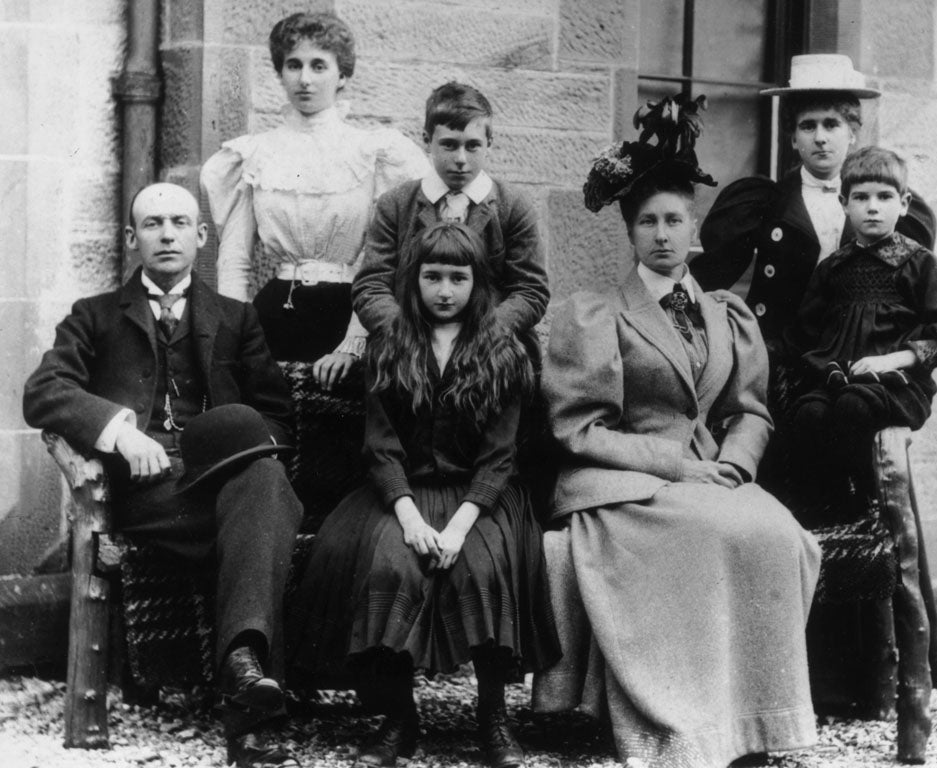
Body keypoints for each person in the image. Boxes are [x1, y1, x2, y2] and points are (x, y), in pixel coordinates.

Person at [532, 96, 821, 768]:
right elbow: (578, 427)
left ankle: (752, 720)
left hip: (710, 474)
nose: (662, 235)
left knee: (779, 535)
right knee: (712, 531)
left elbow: (751, 409)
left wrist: (736, 464)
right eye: (647, 224)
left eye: (674, 221)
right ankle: (683, 723)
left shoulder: (728, 314)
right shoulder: (597, 314)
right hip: (619, 479)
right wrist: (674, 464)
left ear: (695, 230)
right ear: (630, 234)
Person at [23, 183, 303, 768]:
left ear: (202, 237)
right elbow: (44, 392)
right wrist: (119, 431)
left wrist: (242, 442)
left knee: (266, 485)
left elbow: (277, 413)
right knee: (261, 518)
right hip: (147, 495)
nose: (168, 233)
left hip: (221, 482)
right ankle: (249, 704)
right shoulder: (94, 317)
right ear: (132, 239)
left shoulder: (236, 317)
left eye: (180, 222)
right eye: (153, 224)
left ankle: (242, 672)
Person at [288, 222, 560, 768]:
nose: (444, 290)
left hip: (480, 496)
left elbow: (499, 457)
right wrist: (410, 518)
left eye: (457, 278)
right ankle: (398, 718)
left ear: (477, 282)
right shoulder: (391, 347)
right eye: (431, 277)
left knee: (481, 569)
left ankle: (493, 717)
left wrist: (459, 528)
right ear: (412, 282)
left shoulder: (503, 351)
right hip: (400, 494)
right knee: (393, 564)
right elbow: (380, 447)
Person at [201, 11, 429, 389]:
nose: (304, 79)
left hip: (352, 312)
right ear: (280, 73)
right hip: (274, 313)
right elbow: (235, 258)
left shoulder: (371, 152)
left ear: (343, 76)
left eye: (318, 66)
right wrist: (235, 335)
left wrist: (356, 341)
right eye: (294, 65)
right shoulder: (256, 153)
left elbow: (382, 260)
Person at [690, 54, 936, 358]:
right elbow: (712, 274)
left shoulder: (885, 203)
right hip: (780, 352)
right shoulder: (766, 202)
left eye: (831, 124)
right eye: (808, 126)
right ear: (793, 138)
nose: (820, 138)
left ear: (853, 133)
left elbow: (916, 291)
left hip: (858, 351)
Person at [787, 146, 937, 519]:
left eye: (884, 197)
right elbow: (805, 333)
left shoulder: (917, 263)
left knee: (855, 405)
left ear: (903, 204)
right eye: (861, 197)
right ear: (844, 203)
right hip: (838, 378)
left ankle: (868, 501)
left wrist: (897, 358)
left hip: (897, 383)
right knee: (809, 413)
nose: (873, 207)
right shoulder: (834, 268)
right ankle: (832, 502)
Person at [352, 81, 549, 361]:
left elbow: (531, 290)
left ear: (489, 144)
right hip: (408, 348)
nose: (460, 159)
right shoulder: (396, 205)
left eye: (472, 146)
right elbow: (370, 285)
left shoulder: (512, 205)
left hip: (490, 347)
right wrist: (407, 334)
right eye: (448, 145)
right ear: (426, 139)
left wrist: (481, 335)